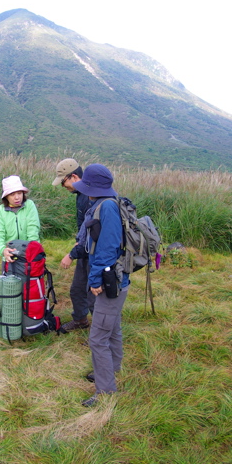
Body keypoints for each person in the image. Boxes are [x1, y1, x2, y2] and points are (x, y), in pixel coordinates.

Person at [72, 164, 130, 408]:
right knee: (112, 327)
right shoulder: (110, 201)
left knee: (97, 338)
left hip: (109, 282)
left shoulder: (106, 207)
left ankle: (105, 391)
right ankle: (112, 368)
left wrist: (95, 280)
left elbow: (106, 248)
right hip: (117, 280)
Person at [52, 158, 95, 331]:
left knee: (94, 294)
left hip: (95, 253)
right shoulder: (80, 196)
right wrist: (78, 245)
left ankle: (100, 335)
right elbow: (82, 228)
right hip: (84, 251)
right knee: (77, 289)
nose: (64, 187)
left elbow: (91, 235)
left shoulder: (91, 197)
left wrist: (71, 255)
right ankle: (80, 321)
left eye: (64, 182)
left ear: (74, 177)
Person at [0, 175, 40, 263]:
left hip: (30, 254)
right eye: (12, 194)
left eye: (19, 193)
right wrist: (3, 250)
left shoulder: (29, 205)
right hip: (9, 256)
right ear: (6, 196)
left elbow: (33, 229)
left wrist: (31, 250)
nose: (17, 197)